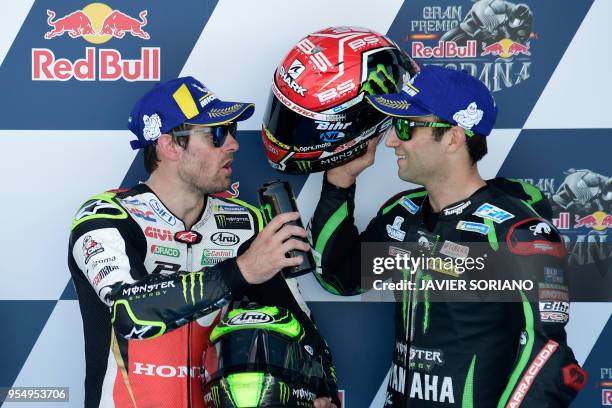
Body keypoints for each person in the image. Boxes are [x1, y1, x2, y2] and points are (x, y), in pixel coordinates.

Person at [308, 65, 586, 406]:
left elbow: (550, 358)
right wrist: (339, 182)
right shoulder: (402, 213)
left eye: (406, 126)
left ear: (454, 137)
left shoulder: (516, 232)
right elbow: (340, 278)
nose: (393, 140)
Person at [68, 77, 338, 407]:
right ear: (169, 146)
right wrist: (242, 270)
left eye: (233, 131)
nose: (233, 144)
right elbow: (129, 311)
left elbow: (297, 321)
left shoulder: (248, 221)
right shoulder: (106, 216)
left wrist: (323, 389)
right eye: (217, 135)